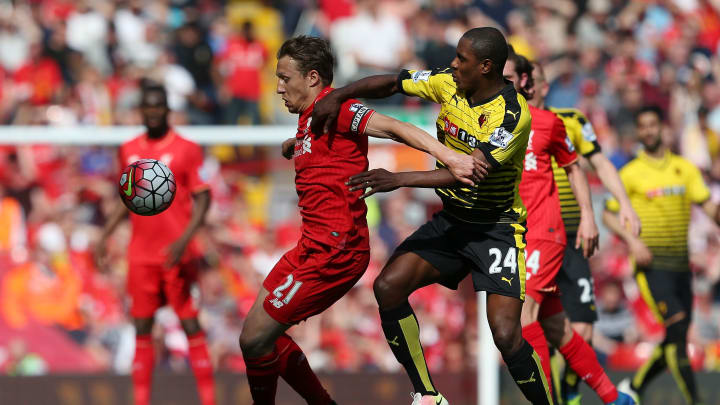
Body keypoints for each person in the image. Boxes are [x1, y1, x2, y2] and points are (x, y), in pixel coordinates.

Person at [238, 35, 481, 405]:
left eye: (285, 78)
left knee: (255, 339)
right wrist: (295, 143)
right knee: (256, 336)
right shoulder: (310, 118)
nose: (277, 88)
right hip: (310, 247)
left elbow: (398, 128)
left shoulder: (340, 109)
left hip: (336, 250)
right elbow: (320, 148)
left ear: (313, 78)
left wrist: (451, 157)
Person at [317, 27, 554, 405]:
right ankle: (428, 395)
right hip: (453, 221)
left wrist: (399, 179)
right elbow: (394, 83)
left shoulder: (511, 117)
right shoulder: (449, 83)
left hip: (496, 229)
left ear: (487, 66)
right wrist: (341, 94)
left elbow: (470, 173)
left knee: (507, 336)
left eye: (463, 59)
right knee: (388, 286)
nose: (454, 64)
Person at [504, 53, 634, 405]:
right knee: (556, 325)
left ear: (534, 84)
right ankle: (615, 399)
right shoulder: (494, 123)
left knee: (532, 315)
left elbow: (588, 166)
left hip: (555, 232)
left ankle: (553, 399)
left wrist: (618, 207)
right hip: (520, 234)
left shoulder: (559, 122)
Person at [95, 84, 215, 405]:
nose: (152, 112)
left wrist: (186, 239)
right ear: (141, 110)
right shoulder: (128, 148)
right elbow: (127, 198)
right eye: (146, 107)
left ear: (166, 109)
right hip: (141, 254)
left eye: (158, 106)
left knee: (191, 325)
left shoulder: (187, 148)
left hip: (178, 253)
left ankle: (208, 399)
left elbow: (204, 197)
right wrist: (104, 235)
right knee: (142, 329)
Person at [604, 106, 720, 405]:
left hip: (681, 264)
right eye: (643, 126)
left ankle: (635, 388)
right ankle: (695, 400)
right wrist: (633, 242)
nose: (648, 131)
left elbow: (709, 208)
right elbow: (609, 216)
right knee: (678, 326)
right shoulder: (630, 173)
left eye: (653, 125)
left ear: (663, 128)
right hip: (650, 263)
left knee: (677, 333)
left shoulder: (684, 169)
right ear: (639, 132)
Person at [549, 85, 640, 404]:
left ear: (540, 84)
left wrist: (623, 203)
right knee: (535, 330)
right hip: (535, 240)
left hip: (573, 242)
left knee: (583, 330)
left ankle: (571, 392)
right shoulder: (507, 122)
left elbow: (596, 163)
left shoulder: (571, 120)